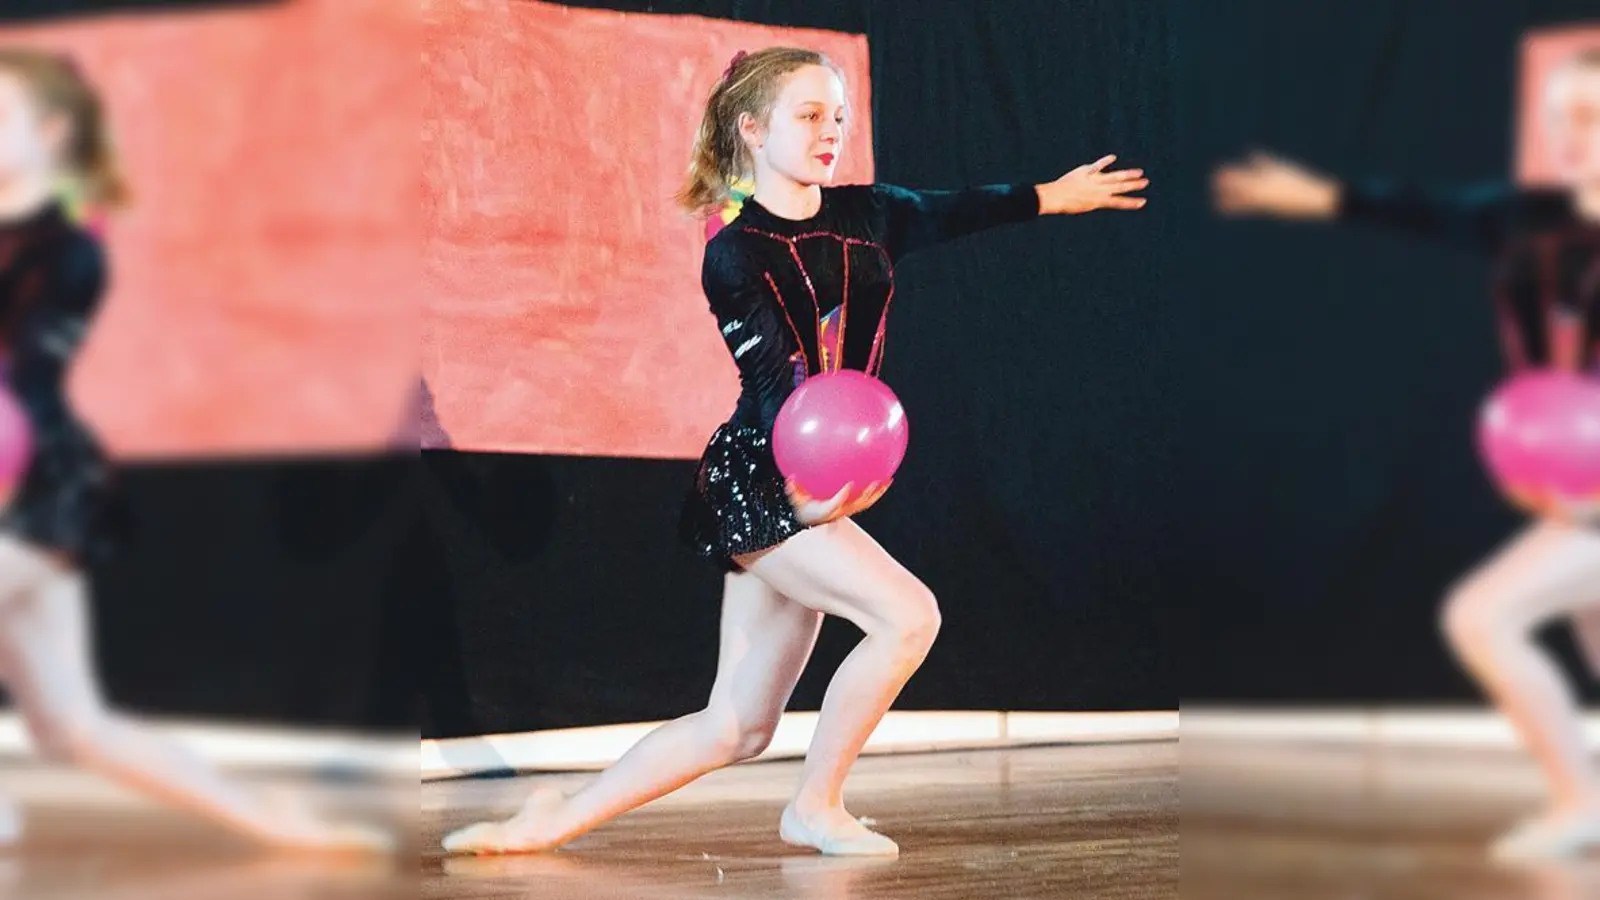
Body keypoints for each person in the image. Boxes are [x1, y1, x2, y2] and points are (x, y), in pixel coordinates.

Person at [444, 46, 1148, 857]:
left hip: (816, 475)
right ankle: (816, 805)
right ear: (752, 127)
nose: (831, 132)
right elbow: (776, 384)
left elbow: (957, 207)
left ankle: (548, 822)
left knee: (736, 726)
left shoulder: (870, 213)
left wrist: (1051, 197)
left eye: (838, 117)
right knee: (908, 616)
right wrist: (807, 495)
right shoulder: (736, 252)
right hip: (763, 480)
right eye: (810, 115)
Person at [1211, 47, 1600, 861]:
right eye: (1560, 119)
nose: (1569, 139)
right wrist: (1312, 194)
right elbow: (1421, 206)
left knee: (1482, 616)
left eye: (1590, 118)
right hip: (1576, 484)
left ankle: (1582, 802)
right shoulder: (1529, 218)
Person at [0, 48, 389, 854]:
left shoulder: (66, 242)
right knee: (75, 727)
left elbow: (18, 391)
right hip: (32, 475)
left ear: (50, 131)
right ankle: (286, 827)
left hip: (34, 484)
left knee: (76, 723)